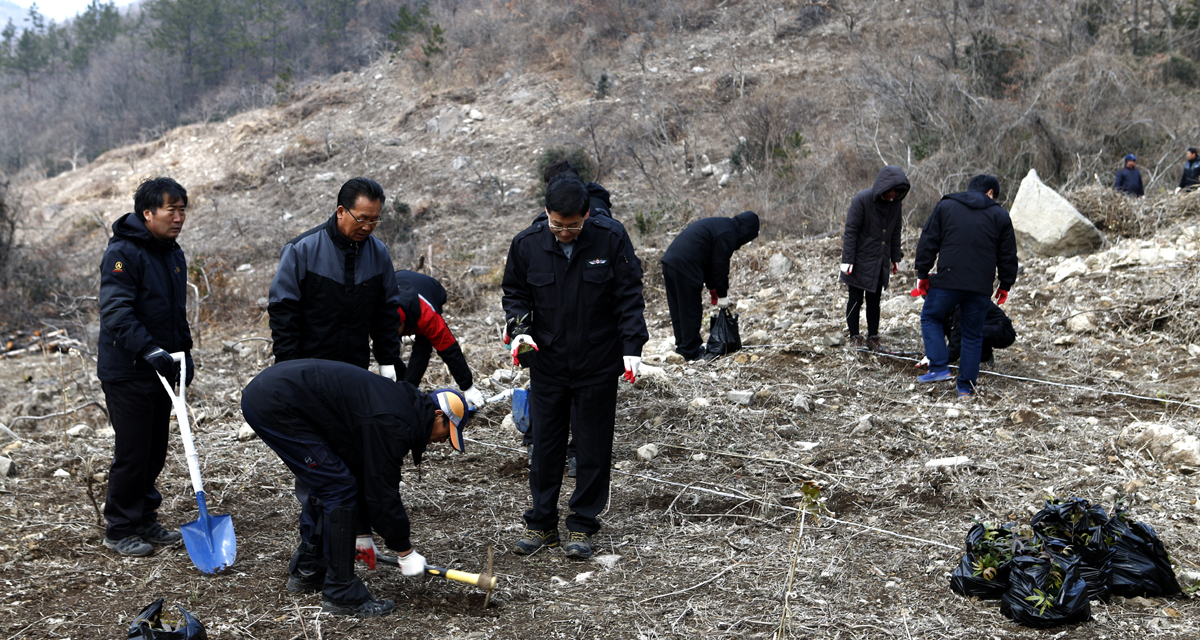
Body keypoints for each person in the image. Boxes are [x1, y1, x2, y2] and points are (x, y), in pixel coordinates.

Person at [240, 359, 471, 617]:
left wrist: (361, 534)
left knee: (331, 479)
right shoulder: (394, 422)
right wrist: (405, 551)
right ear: (438, 414)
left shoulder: (399, 408)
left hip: (274, 393)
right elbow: (382, 490)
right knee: (336, 488)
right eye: (446, 431)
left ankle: (309, 570)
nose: (442, 441)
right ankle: (341, 594)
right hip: (277, 403)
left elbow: (358, 467)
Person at [502, 175, 648, 559]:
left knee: (592, 444)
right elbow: (515, 294)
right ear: (546, 214)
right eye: (556, 224)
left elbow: (629, 294)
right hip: (547, 360)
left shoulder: (610, 238)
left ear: (587, 214)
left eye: (573, 225)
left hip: (598, 359)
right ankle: (542, 525)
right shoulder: (526, 244)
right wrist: (520, 332)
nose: (564, 232)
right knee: (546, 445)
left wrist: (632, 346)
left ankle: (582, 524)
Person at [97, 177, 194, 557]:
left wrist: (184, 354)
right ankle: (120, 528)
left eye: (182, 209)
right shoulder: (123, 253)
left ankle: (144, 518)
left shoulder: (172, 252)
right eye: (171, 209)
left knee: (155, 449)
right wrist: (149, 349)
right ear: (147, 213)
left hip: (163, 367)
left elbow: (174, 314)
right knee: (133, 450)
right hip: (128, 369)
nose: (178, 217)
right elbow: (115, 312)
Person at [268, 177, 403, 378]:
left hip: (355, 368)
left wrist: (387, 361)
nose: (368, 227)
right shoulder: (302, 250)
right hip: (308, 366)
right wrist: (289, 366)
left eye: (374, 220)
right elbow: (283, 311)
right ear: (341, 212)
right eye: (362, 218)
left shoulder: (379, 253)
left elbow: (386, 312)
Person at [911, 174, 1018, 397]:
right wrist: (1005, 284)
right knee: (972, 334)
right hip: (980, 285)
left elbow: (929, 240)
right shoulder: (1000, 215)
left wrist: (922, 272)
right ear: (990, 193)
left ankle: (939, 367)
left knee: (930, 316)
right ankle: (966, 388)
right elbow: (1007, 255)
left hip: (949, 279)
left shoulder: (947, 205)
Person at [659, 211, 760, 361]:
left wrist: (713, 289)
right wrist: (722, 294)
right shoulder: (728, 234)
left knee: (679, 308)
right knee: (690, 309)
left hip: (671, 261)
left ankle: (683, 347)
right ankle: (690, 351)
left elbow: (709, 260)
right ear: (747, 230)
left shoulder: (723, 225)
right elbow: (719, 266)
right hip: (686, 265)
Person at [839, 165, 910, 351]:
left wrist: (895, 257)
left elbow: (896, 231)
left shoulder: (896, 203)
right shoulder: (862, 200)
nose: (892, 195)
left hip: (880, 260)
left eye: (896, 192)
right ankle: (854, 336)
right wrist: (847, 259)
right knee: (855, 299)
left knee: (874, 300)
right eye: (889, 191)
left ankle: (873, 337)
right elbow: (851, 231)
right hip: (859, 259)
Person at [393, 269, 486, 408]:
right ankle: (406, 389)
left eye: (395, 330)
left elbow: (449, 348)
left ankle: (411, 387)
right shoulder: (376, 309)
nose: (391, 333)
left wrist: (468, 387)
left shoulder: (427, 315)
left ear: (403, 322)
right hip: (398, 280)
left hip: (429, 288)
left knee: (423, 346)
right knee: (386, 347)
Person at [943, 302, 1017, 367]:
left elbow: (956, 345)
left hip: (1004, 333)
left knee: (970, 331)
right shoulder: (952, 306)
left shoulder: (963, 306)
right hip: (989, 328)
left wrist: (939, 361)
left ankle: (985, 358)